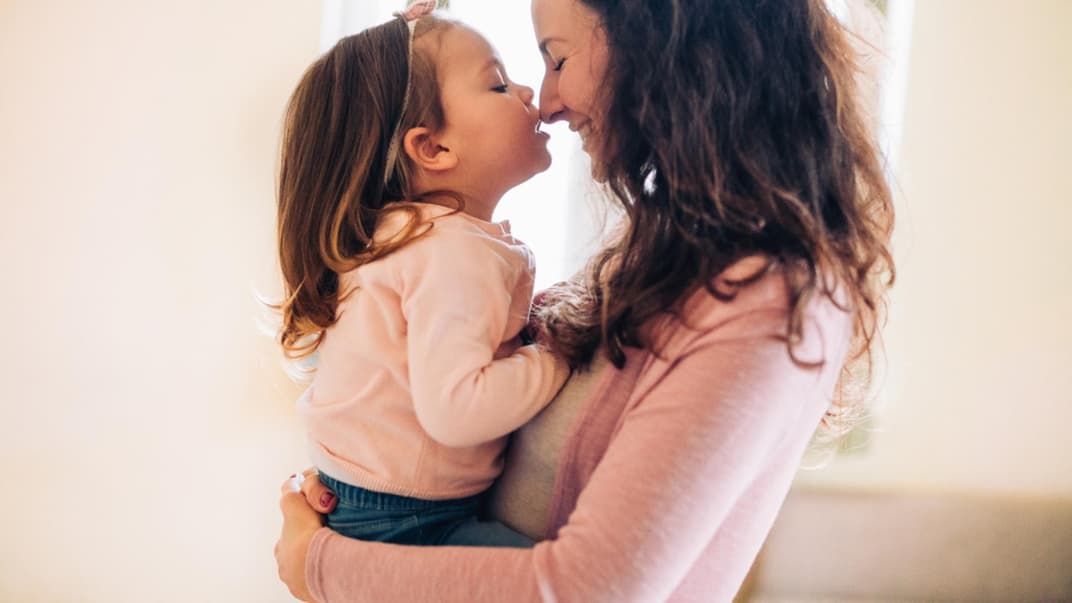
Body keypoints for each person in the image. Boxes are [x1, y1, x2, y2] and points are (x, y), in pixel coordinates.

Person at [275, 0, 895, 600]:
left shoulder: (763, 302)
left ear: (659, 49)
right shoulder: (653, 257)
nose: (544, 101)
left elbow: (586, 591)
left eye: (557, 59)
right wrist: (363, 474)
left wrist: (321, 564)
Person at [274, 1, 570, 550]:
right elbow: (459, 410)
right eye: (499, 86)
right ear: (432, 147)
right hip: (407, 521)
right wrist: (561, 353)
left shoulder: (410, 237)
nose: (530, 93)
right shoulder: (449, 251)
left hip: (369, 499)